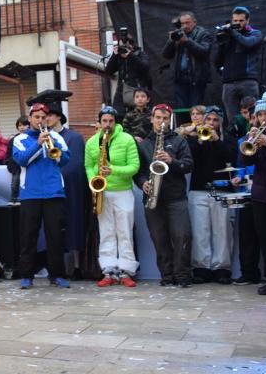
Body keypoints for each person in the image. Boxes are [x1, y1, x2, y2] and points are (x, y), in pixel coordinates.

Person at [12, 103, 71, 289]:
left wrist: (58, 154)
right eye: (36, 117)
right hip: (30, 193)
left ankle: (57, 275)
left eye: (43, 118)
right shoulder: (20, 139)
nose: (40, 120)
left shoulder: (56, 137)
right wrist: (38, 145)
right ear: (29, 119)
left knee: (55, 236)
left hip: (54, 192)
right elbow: (21, 160)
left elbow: (66, 160)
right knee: (28, 236)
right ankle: (27, 275)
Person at [135, 104, 194, 287]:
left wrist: (172, 161)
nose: (162, 122)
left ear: (170, 120)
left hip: (176, 198)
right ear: (151, 119)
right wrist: (142, 182)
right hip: (153, 198)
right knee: (159, 239)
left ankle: (182, 275)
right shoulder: (144, 144)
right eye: (158, 118)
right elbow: (138, 172)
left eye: (165, 118)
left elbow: (189, 165)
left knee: (182, 236)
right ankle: (167, 276)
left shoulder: (179, 141)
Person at [85, 107, 140, 287]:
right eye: (104, 121)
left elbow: (134, 167)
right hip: (103, 191)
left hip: (123, 190)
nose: (107, 125)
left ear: (115, 122)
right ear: (99, 122)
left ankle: (126, 271)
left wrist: (113, 169)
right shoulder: (92, 142)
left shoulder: (127, 139)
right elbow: (89, 165)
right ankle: (108, 270)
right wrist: (94, 179)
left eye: (110, 121)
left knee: (124, 231)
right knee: (106, 232)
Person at [186, 106, 236, 285]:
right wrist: (199, 141)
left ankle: (222, 268)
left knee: (223, 231)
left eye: (215, 120)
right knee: (200, 231)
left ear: (220, 122)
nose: (211, 124)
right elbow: (190, 160)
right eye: (208, 120)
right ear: (204, 121)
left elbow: (231, 157)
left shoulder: (228, 139)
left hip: (222, 190)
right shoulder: (194, 140)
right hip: (198, 189)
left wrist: (217, 141)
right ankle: (201, 268)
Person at [43, 99, 87, 277]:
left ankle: (76, 266)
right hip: (52, 188)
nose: (47, 119)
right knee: (53, 227)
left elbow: (76, 164)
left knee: (74, 224)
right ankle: (56, 266)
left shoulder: (74, 137)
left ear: (59, 117)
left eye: (50, 115)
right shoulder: (46, 136)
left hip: (71, 187)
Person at [243, 92, 266, 295]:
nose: (263, 118)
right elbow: (247, 162)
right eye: (260, 114)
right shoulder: (256, 134)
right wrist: (250, 144)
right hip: (260, 196)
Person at [216, 7, 264, 126]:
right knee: (233, 121)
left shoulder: (255, 33)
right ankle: (237, 144)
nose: (238, 23)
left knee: (253, 118)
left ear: (248, 20)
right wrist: (221, 43)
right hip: (228, 83)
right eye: (235, 21)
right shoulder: (229, 36)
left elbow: (248, 43)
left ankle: (255, 143)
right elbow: (217, 61)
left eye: (241, 20)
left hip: (248, 81)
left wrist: (233, 32)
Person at [164, 12, 214, 109]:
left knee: (195, 109)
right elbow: (166, 55)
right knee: (182, 108)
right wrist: (171, 41)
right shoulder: (178, 33)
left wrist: (187, 41)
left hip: (196, 78)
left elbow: (204, 52)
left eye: (187, 23)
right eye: (182, 23)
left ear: (194, 22)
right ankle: (183, 125)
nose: (184, 26)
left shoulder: (204, 34)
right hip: (180, 78)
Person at [233, 111, 260, 286]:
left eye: (262, 116)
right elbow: (240, 163)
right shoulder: (243, 141)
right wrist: (238, 176)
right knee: (247, 234)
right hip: (248, 191)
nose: (258, 120)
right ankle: (248, 273)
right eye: (254, 117)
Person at [104, 31, 151, 116]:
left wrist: (130, 56)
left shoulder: (140, 54)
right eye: (121, 46)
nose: (123, 49)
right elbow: (108, 71)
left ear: (132, 46)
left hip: (136, 92)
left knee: (136, 118)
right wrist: (114, 55)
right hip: (121, 93)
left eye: (125, 47)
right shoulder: (119, 57)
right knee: (118, 117)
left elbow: (145, 68)